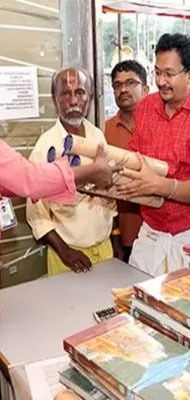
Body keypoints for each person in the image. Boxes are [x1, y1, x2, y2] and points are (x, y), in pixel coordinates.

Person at [116, 33, 190, 276]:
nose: (161, 81)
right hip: (151, 233)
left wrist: (160, 185)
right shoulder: (146, 107)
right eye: (157, 72)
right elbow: (135, 158)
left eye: (169, 74)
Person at [26, 67, 117, 274]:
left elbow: (110, 197)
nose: (74, 101)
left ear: (90, 97)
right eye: (66, 93)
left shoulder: (97, 136)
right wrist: (65, 252)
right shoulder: (45, 147)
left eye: (80, 92)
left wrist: (115, 238)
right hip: (67, 258)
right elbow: (36, 215)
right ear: (55, 99)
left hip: (105, 248)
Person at [105, 60, 148, 263]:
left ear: (146, 89)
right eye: (117, 85)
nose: (123, 90)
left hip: (159, 231)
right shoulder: (104, 131)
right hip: (124, 233)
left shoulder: (159, 127)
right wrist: (115, 234)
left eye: (130, 83)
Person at [1, 140, 115, 202]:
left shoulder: (97, 135)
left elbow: (14, 180)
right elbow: (29, 178)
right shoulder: (46, 141)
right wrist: (90, 172)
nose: (74, 104)